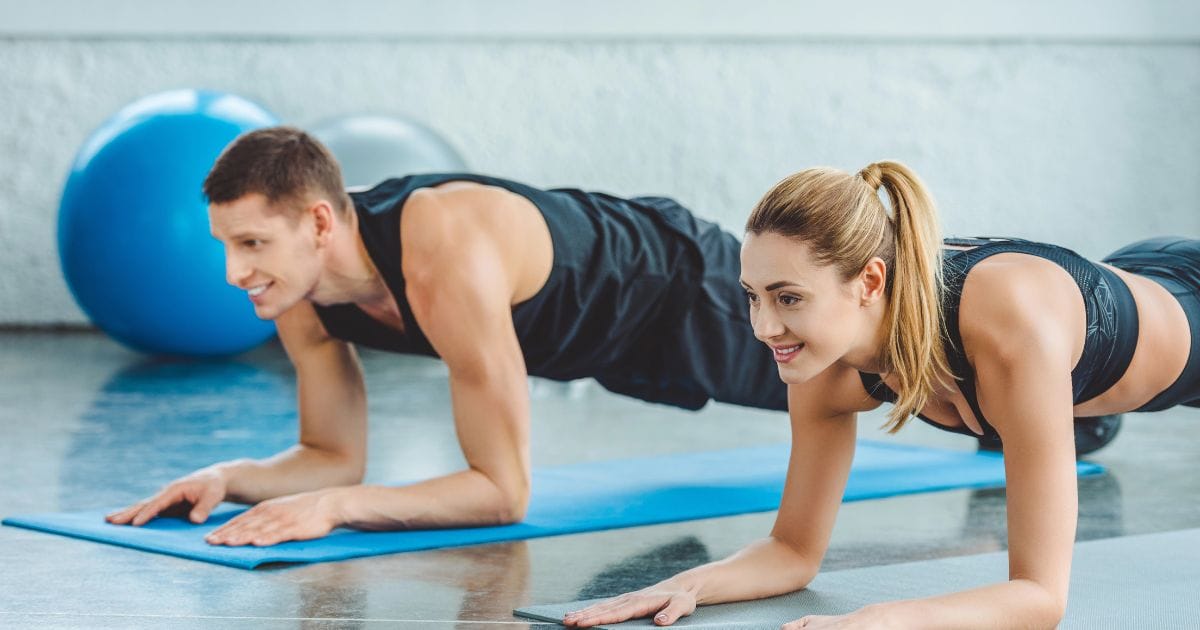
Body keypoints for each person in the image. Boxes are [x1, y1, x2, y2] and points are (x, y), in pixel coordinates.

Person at [562, 162, 1197, 629]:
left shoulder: (1006, 328)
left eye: (788, 298)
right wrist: (691, 584)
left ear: (869, 281)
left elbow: (1040, 596)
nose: (762, 328)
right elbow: (791, 551)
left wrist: (884, 620)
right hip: (1134, 279)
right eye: (752, 297)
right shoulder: (825, 369)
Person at [104, 126, 788, 544]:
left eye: (251, 243)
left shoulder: (438, 251)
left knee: (875, 373)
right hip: (601, 348)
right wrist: (228, 478)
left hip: (676, 288)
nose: (234, 272)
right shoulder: (298, 290)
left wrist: (338, 509)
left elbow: (502, 492)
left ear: (318, 224)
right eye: (226, 246)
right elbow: (330, 456)